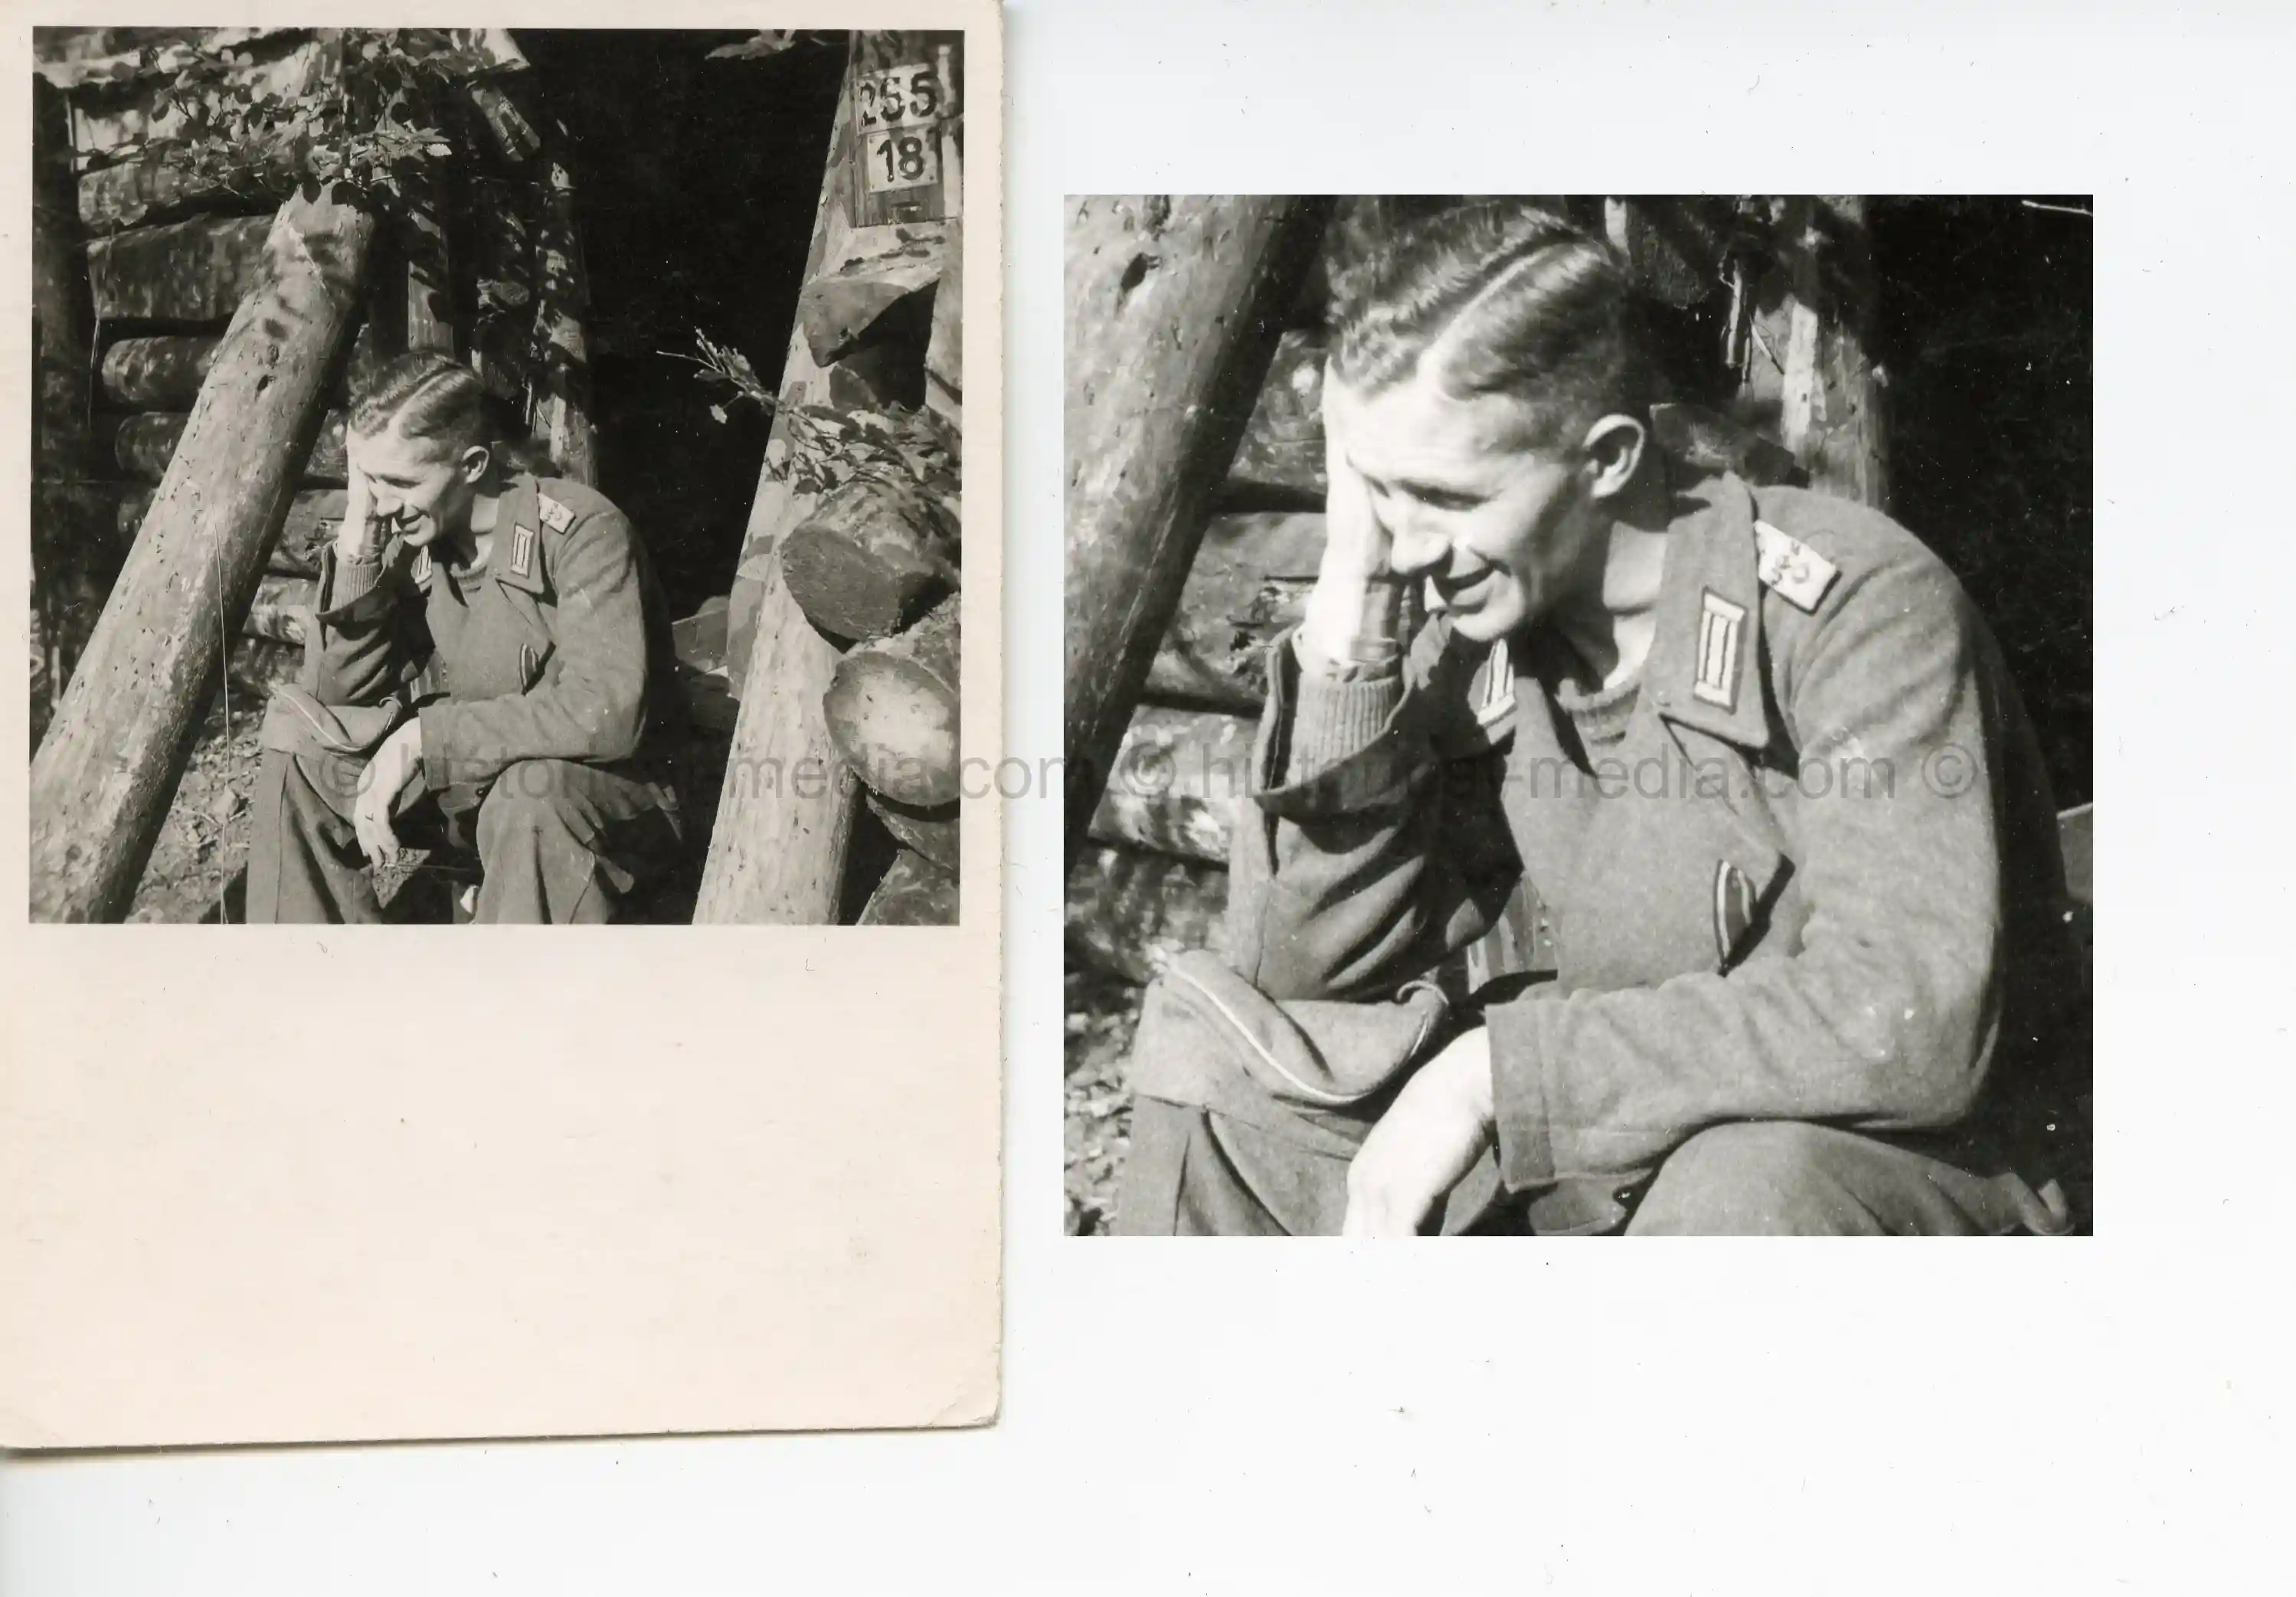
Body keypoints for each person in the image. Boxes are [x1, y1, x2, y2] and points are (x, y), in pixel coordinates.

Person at [1117, 203, 2087, 1235]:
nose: (1408, 547)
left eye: (1444, 496)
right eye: (1378, 495)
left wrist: (1498, 1075)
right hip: (1625, 1155)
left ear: (1611, 458)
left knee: (1740, 1187)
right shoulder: (1486, 618)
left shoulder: (1854, 609)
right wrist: (1350, 626)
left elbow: (1910, 1021)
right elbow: (1294, 981)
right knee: (1217, 1072)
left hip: (1893, 1176)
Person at [246, 352, 687, 924]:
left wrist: (424, 738)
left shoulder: (582, 532)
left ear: (474, 464)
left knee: (529, 795)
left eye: (400, 482)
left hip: (615, 802)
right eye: (368, 479)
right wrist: (357, 548)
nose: (380, 503)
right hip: (485, 787)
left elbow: (607, 712)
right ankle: (311, 983)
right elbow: (334, 696)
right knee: (298, 745)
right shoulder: (420, 539)